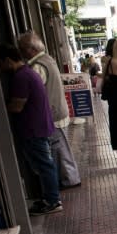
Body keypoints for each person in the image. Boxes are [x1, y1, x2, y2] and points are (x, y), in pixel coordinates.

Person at [0, 45, 62, 215]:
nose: (0, 68)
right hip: (39, 126)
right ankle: (50, 198)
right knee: (45, 164)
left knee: (44, 165)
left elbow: (17, 106)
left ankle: (52, 201)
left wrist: (0, 107)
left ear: (8, 60)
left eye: (0, 63)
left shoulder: (21, 77)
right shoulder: (29, 72)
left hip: (33, 129)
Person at [17, 32, 81, 190]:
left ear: (30, 49)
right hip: (58, 110)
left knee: (58, 150)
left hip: (52, 114)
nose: (20, 52)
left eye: (22, 48)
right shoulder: (48, 59)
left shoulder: (37, 66)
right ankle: (69, 178)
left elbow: (34, 92)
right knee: (61, 149)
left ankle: (69, 180)